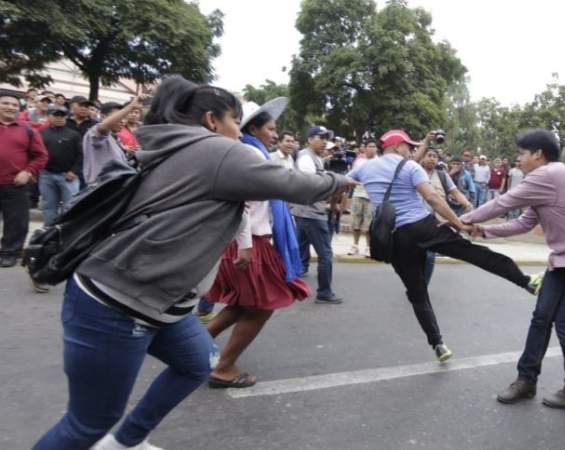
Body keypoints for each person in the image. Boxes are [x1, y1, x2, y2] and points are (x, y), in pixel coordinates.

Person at [32, 76, 352, 450]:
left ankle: (126, 442)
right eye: (236, 121)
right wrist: (343, 179)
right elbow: (296, 184)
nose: (240, 130)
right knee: (89, 422)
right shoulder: (217, 151)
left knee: (196, 364)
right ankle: (114, 438)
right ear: (212, 121)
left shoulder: (177, 145)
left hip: (162, 302)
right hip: (119, 301)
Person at [347, 129, 539, 362]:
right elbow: (433, 199)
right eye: (408, 146)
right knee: (474, 253)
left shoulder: (366, 167)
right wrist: (459, 224)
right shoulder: (410, 168)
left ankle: (437, 343)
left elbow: (345, 180)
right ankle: (525, 282)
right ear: (398, 147)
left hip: (394, 237)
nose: (411, 150)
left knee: (417, 293)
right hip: (422, 226)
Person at [460, 129, 565, 409]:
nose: (518, 159)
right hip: (561, 261)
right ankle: (526, 381)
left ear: (538, 154)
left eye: (522, 154)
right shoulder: (547, 182)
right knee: (540, 319)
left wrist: (458, 219)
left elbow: (503, 202)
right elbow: (523, 223)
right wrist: (483, 232)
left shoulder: (549, 175)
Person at [204, 99, 313, 388]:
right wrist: (246, 244)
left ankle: (195, 349)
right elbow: (243, 202)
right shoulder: (251, 152)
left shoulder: (253, 150)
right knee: (263, 305)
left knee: (243, 304)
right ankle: (223, 366)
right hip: (250, 240)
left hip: (246, 238)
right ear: (253, 128)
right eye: (270, 128)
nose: (275, 134)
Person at [293, 125, 344, 304]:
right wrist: (333, 182)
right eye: (319, 137)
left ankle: (289, 283)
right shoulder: (306, 158)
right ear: (309, 139)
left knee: (299, 249)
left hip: (304, 211)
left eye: (325, 138)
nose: (324, 142)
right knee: (325, 255)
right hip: (311, 213)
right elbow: (312, 184)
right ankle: (324, 292)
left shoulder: (315, 158)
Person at [0, 91, 48, 268]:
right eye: (5, 103)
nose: (10, 107)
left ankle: (9, 252)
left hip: (15, 183)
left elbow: (41, 156)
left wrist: (28, 172)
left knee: (16, 221)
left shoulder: (27, 129)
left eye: (14, 105)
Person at [418, 147, 473, 285]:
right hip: (415, 221)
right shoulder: (414, 172)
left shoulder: (442, 175)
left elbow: (455, 192)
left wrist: (467, 204)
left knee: (430, 256)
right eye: (429, 155)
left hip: (435, 222)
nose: (431, 158)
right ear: (423, 157)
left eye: (434, 156)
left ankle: (422, 286)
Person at [38, 104, 82, 227]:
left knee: (70, 206)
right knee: (49, 205)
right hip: (46, 175)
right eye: (56, 115)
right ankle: (48, 231)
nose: (59, 118)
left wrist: (74, 171)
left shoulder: (74, 134)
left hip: (68, 176)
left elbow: (81, 155)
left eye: (62, 115)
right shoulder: (41, 133)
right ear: (48, 116)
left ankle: (66, 231)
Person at [82, 99, 142, 184]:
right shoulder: (95, 133)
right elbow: (103, 128)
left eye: (124, 118)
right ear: (103, 116)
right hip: (101, 187)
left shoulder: (115, 138)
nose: (122, 121)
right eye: (119, 117)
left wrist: (128, 153)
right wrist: (131, 106)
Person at [348, 139, 378, 256]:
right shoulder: (359, 162)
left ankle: (368, 247)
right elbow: (353, 176)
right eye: (370, 146)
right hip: (358, 194)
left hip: (372, 196)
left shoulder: (379, 162)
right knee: (356, 222)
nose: (372, 148)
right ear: (364, 149)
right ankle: (354, 246)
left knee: (369, 225)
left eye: (374, 146)